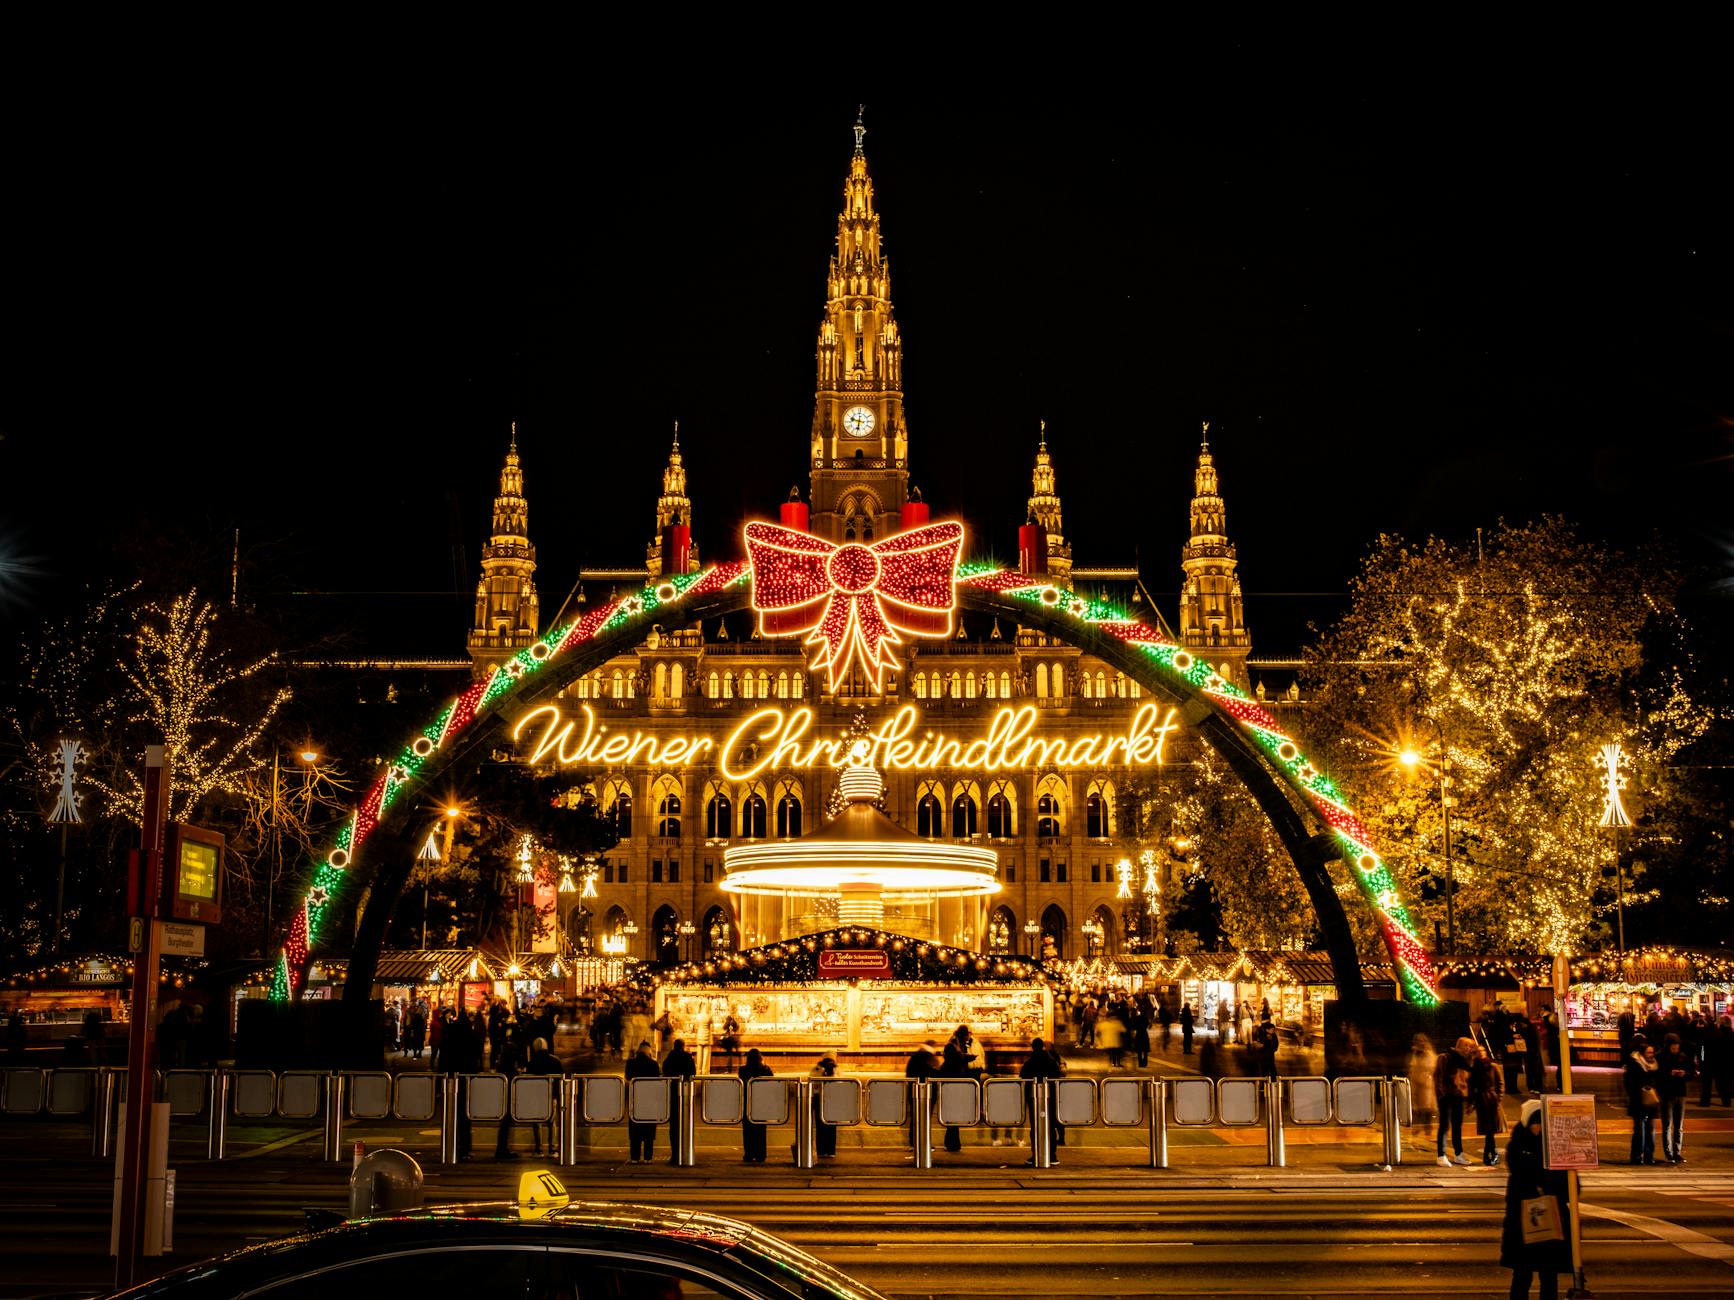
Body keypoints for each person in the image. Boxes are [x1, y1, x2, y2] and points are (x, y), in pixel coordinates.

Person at [1500, 1099, 1569, 1299]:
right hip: (1524, 1221)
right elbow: (1522, 1178)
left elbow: (1570, 1186)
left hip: (1550, 1220)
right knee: (1523, 1274)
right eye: (1535, 1122)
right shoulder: (1518, 1146)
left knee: (1549, 1275)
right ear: (1527, 1123)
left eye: (1542, 1122)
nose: (1540, 1127)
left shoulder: (1555, 1146)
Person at [1018, 1037, 1065, 1164]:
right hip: (1051, 1096)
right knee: (1050, 1126)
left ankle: (1037, 1154)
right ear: (1043, 1046)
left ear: (1033, 1047)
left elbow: (1023, 1075)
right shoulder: (1051, 1061)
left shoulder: (1030, 1062)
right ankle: (1052, 1155)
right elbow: (1057, 1075)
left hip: (1034, 1098)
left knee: (1036, 1126)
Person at [1434, 1036, 1473, 1167]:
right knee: (1444, 1125)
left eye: (1470, 1046)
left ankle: (1458, 1153)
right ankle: (1441, 1155)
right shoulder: (1446, 1057)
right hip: (1446, 1096)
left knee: (1457, 1126)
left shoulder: (1465, 1062)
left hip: (1458, 1096)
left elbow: (1467, 1079)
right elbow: (1438, 1076)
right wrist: (1440, 1093)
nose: (1468, 1048)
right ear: (1459, 1045)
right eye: (1466, 1045)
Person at [940, 1026, 978, 1153]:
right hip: (952, 1082)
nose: (969, 1037)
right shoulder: (952, 1045)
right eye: (968, 1034)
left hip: (956, 1081)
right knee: (953, 1114)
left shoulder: (958, 1044)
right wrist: (966, 1057)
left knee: (955, 1114)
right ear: (963, 1035)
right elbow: (954, 1059)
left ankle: (954, 1143)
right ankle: (951, 1143)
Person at [624, 1040, 662, 1164]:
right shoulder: (653, 1064)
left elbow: (628, 1077)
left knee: (635, 1129)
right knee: (649, 1131)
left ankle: (634, 1157)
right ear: (649, 1052)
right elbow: (658, 1078)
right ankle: (647, 1157)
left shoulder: (630, 1063)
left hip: (635, 1099)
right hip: (649, 1100)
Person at [1658, 1032, 1693, 1163]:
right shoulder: (1661, 1057)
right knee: (1667, 1125)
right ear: (1667, 1046)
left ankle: (1677, 1152)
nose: (1675, 1050)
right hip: (1667, 1094)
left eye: (1677, 1047)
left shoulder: (1683, 1057)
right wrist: (1669, 1074)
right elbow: (1658, 1076)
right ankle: (1669, 1154)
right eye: (1673, 1047)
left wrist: (1684, 1074)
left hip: (1680, 1093)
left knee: (1679, 1126)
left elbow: (1692, 1073)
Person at [525, 1036, 563, 1157]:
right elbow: (560, 1078)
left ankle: (539, 1149)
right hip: (551, 1095)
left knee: (537, 1122)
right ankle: (553, 1149)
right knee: (551, 1122)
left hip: (536, 1095)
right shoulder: (555, 1061)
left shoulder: (532, 1062)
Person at [1624, 1038, 1660, 1164]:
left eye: (1652, 1052)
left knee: (1650, 1130)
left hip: (1651, 1102)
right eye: (1649, 1052)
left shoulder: (1655, 1065)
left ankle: (1649, 1156)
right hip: (1638, 1102)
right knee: (1639, 1130)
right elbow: (1629, 1084)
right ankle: (1637, 1156)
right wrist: (1639, 1091)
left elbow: (1658, 1082)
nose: (1652, 1055)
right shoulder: (1635, 1065)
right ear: (1642, 1053)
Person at [1470, 1042, 1504, 1166]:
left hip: (1492, 1100)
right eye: (1478, 1052)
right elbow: (1472, 1086)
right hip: (1481, 1100)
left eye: (1482, 1051)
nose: (1481, 1053)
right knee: (1488, 1130)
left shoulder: (1493, 1066)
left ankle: (1489, 1153)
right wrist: (1472, 1103)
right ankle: (1491, 1153)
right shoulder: (1474, 1068)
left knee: (1491, 1129)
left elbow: (1500, 1083)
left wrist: (1499, 1097)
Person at [738, 1047, 774, 1162]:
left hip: (747, 1101)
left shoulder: (743, 1070)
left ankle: (748, 1153)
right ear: (760, 1058)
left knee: (748, 1130)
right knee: (761, 1130)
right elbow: (771, 1081)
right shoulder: (765, 1069)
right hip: (761, 1102)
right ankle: (760, 1154)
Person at [903, 1040, 939, 1151]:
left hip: (914, 1091)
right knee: (925, 1118)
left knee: (916, 1118)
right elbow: (933, 1073)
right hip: (926, 1091)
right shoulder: (928, 1058)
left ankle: (914, 1143)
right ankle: (923, 1143)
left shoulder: (915, 1057)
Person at [811, 1056, 838, 1158]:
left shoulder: (816, 1070)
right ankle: (830, 1151)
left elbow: (813, 1083)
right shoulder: (836, 1070)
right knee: (831, 1127)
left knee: (820, 1126)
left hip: (821, 1098)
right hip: (831, 1099)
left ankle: (822, 1150)